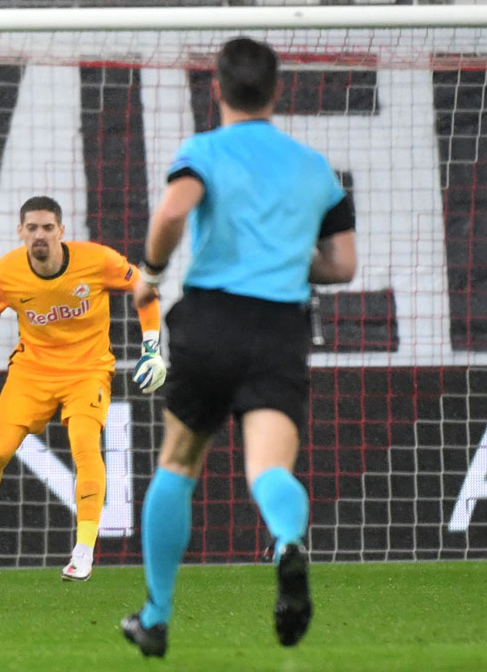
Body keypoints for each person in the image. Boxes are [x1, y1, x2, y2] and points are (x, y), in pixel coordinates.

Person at [120, 37, 357, 656]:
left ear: (217, 90)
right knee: (269, 469)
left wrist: (148, 272)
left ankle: (156, 616)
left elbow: (174, 210)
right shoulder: (314, 168)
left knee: (178, 463)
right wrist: (282, 259)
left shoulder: (204, 150)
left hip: (212, 319)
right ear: (277, 91)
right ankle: (286, 544)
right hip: (279, 327)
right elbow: (343, 265)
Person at [0, 195, 165, 582]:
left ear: (62, 231)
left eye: (47, 227)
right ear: (20, 232)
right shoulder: (4, 273)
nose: (40, 235)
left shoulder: (97, 260)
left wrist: (151, 349)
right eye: (32, 228)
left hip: (88, 370)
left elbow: (144, 289)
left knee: (85, 444)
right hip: (31, 373)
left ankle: (83, 549)